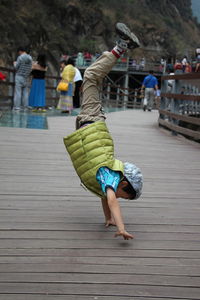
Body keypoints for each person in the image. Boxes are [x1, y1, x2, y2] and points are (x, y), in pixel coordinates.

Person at [63, 23, 143, 240]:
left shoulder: (106, 181)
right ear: (124, 183)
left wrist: (107, 218)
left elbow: (103, 197)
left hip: (88, 125)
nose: (119, 198)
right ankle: (122, 46)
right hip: (91, 121)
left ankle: (121, 46)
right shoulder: (111, 176)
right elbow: (111, 199)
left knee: (91, 78)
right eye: (124, 196)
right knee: (90, 76)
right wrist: (121, 227)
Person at [13, 47, 32, 111]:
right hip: (26, 77)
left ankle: (17, 107)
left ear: (20, 51)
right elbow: (30, 68)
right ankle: (25, 107)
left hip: (19, 76)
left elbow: (16, 67)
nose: (19, 54)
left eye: (19, 52)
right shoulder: (30, 58)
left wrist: (14, 64)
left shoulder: (20, 57)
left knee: (18, 92)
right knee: (25, 93)